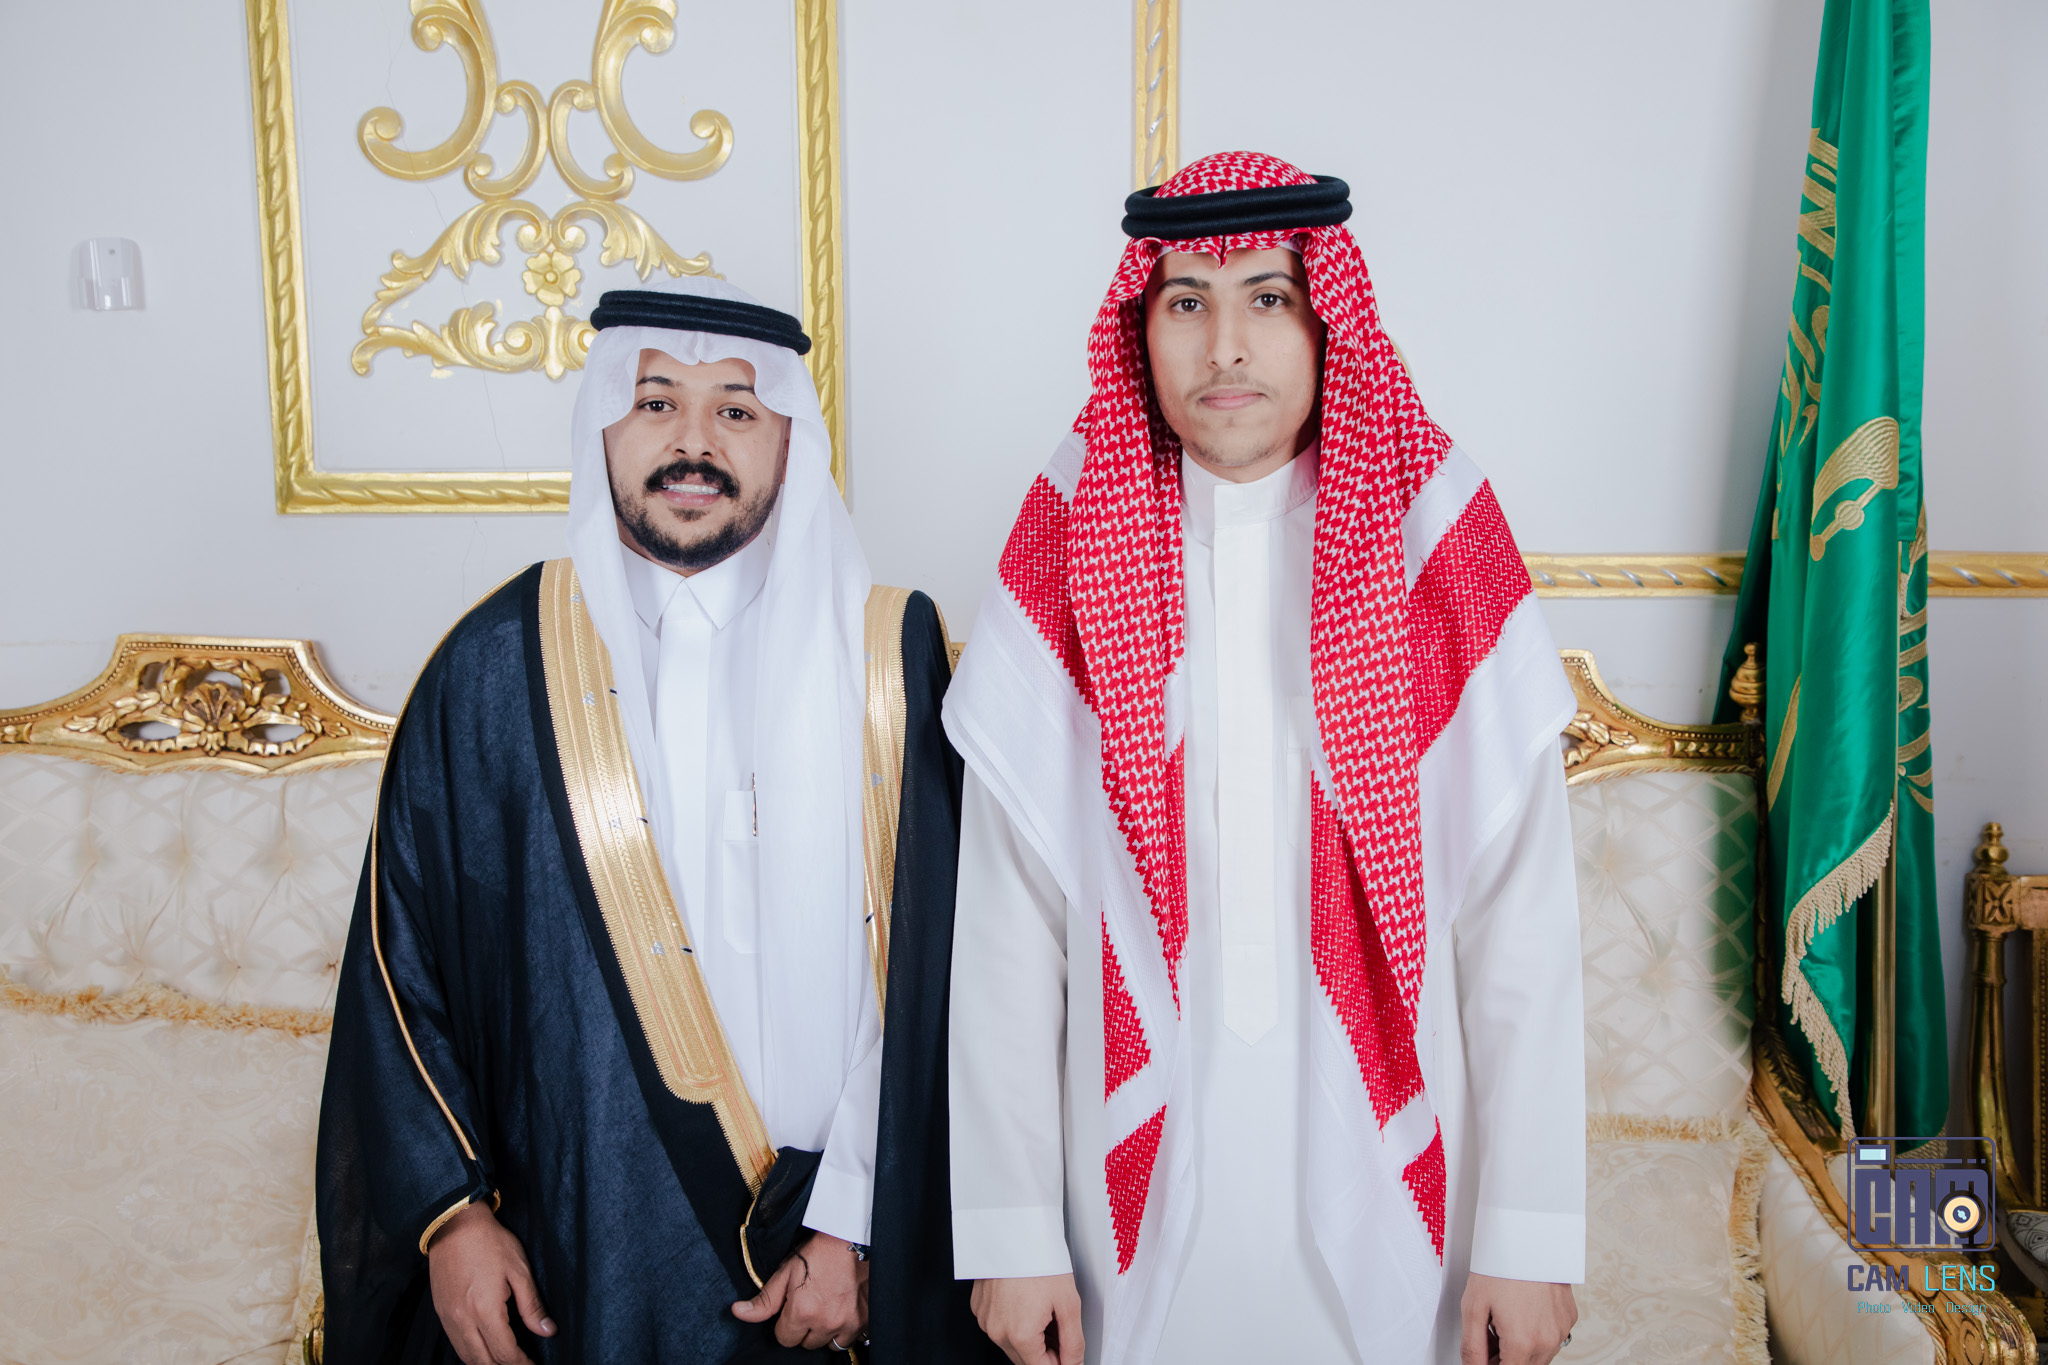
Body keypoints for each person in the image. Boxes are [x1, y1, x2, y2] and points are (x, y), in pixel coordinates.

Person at [943, 152, 1585, 1365]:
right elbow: (1007, 928)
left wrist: (1529, 1233)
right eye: (1186, 301)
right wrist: (1012, 1230)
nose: (1224, 346)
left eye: (1267, 298)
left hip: (1408, 1198)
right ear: (1140, 329)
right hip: (1121, 1209)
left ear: (1325, 320)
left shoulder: (1434, 542)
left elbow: (1521, 925)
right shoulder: (1067, 548)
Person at [317, 277, 976, 1363]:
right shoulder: (495, 664)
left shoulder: (884, 658)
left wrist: (857, 1225)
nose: (693, 442)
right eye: (656, 402)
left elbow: (940, 972)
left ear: (789, 439)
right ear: (602, 427)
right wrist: (454, 1216)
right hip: (581, 1242)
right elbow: (403, 966)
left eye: (736, 409)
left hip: (829, 1262)